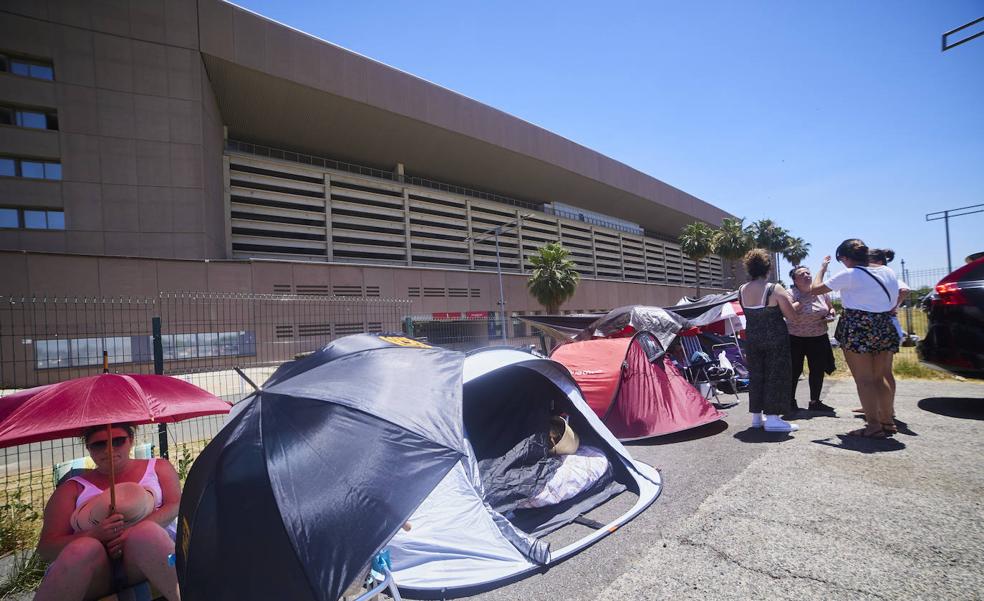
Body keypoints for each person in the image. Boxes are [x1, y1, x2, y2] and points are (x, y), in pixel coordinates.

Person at [35, 424, 181, 601]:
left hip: (149, 555)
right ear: (88, 448)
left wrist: (129, 533)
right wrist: (95, 535)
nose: (109, 449)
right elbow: (47, 548)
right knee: (83, 549)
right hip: (98, 571)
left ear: (131, 440)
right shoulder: (72, 488)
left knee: (146, 533)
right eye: (99, 444)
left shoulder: (158, 467)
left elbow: (174, 505)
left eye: (118, 441)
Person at [809, 239, 899, 438]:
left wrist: (822, 269)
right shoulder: (888, 272)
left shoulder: (850, 274)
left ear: (845, 257)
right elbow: (893, 300)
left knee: (864, 379)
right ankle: (888, 421)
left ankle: (873, 426)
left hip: (858, 325)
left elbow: (814, 289)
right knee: (880, 377)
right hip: (884, 325)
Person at [738, 249, 800, 432]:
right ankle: (773, 418)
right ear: (768, 268)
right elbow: (792, 316)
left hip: (753, 339)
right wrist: (796, 304)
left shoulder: (741, 290)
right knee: (776, 375)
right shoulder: (774, 289)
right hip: (775, 339)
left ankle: (757, 418)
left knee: (757, 376)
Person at [787, 264, 837, 413]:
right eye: (801, 274)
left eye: (808, 273)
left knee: (817, 370)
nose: (807, 276)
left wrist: (831, 313)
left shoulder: (821, 292)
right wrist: (804, 299)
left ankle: (815, 402)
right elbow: (788, 311)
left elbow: (830, 307)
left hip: (818, 337)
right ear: (795, 280)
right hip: (795, 338)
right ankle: (790, 401)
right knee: (794, 371)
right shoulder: (790, 293)